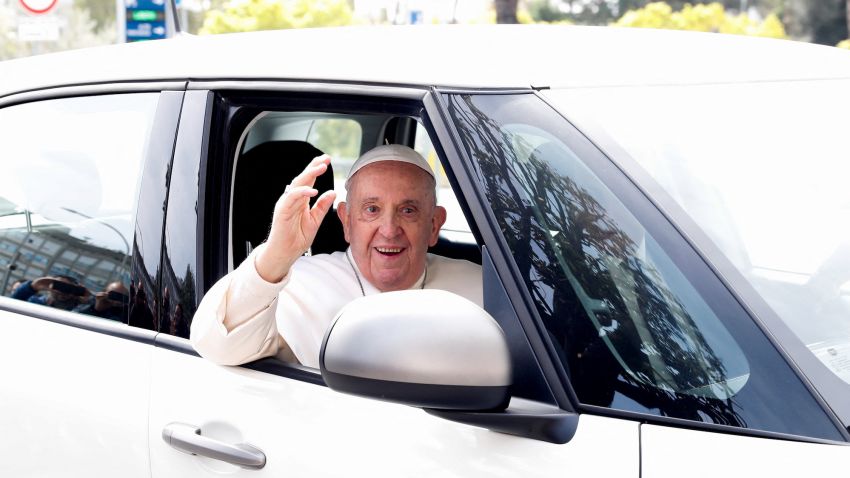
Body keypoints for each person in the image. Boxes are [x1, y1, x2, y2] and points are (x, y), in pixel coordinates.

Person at [190, 145, 482, 367]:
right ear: (346, 221)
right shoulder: (297, 286)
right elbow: (218, 345)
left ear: (434, 225)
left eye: (408, 210)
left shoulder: (481, 287)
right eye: (372, 209)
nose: (390, 230)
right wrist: (276, 256)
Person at [11, 275, 90, 311]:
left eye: (67, 288)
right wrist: (32, 286)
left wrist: (85, 302)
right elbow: (13, 306)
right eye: (58, 286)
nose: (62, 291)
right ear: (49, 287)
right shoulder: (34, 302)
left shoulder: (80, 307)